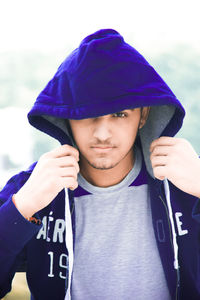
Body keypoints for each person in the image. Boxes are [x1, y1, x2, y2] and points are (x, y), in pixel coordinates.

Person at [0, 28, 200, 300]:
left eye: (119, 114)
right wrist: (22, 207)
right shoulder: (31, 188)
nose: (103, 134)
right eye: (86, 115)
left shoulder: (185, 182)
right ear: (66, 117)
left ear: (143, 116)